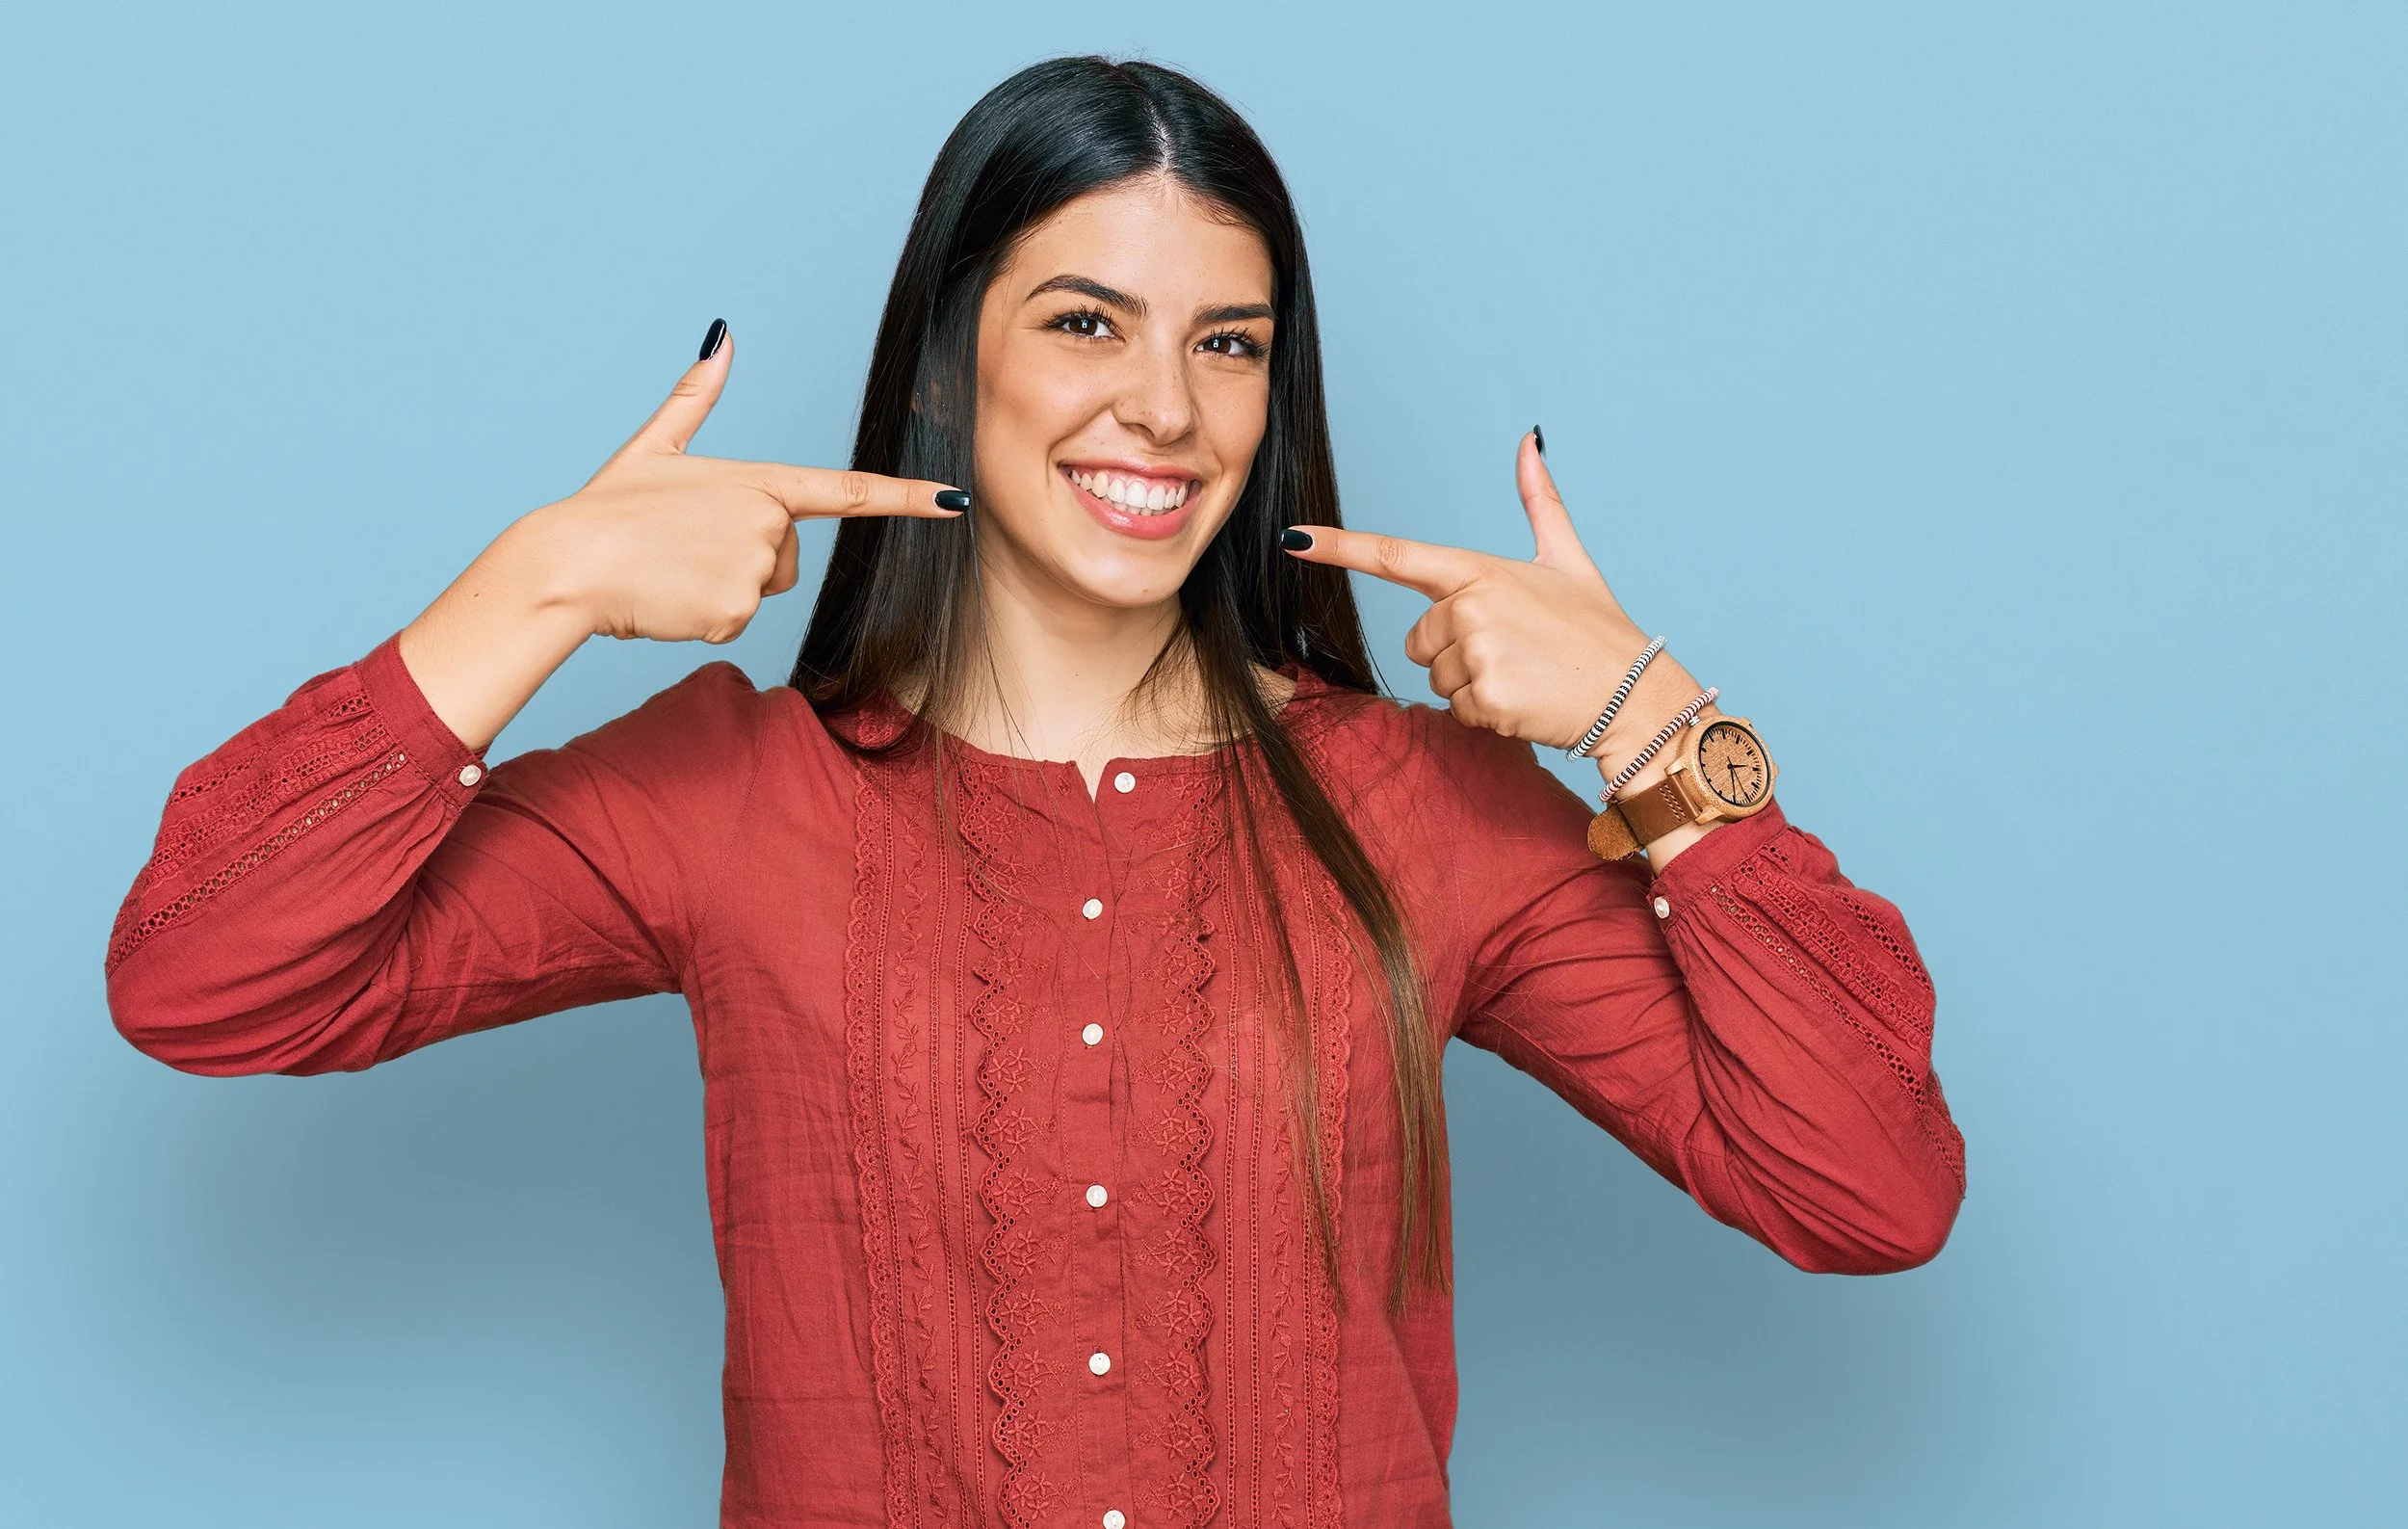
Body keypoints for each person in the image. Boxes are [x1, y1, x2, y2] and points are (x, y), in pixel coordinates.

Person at [104, 55, 1964, 1529]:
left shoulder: (1426, 809)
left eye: (1224, 343)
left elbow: (1867, 1187)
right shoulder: (731, 789)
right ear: (946, 368)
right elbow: (203, 978)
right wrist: (534, 592)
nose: (1164, 407)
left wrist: (1660, 724)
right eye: (1087, 322)